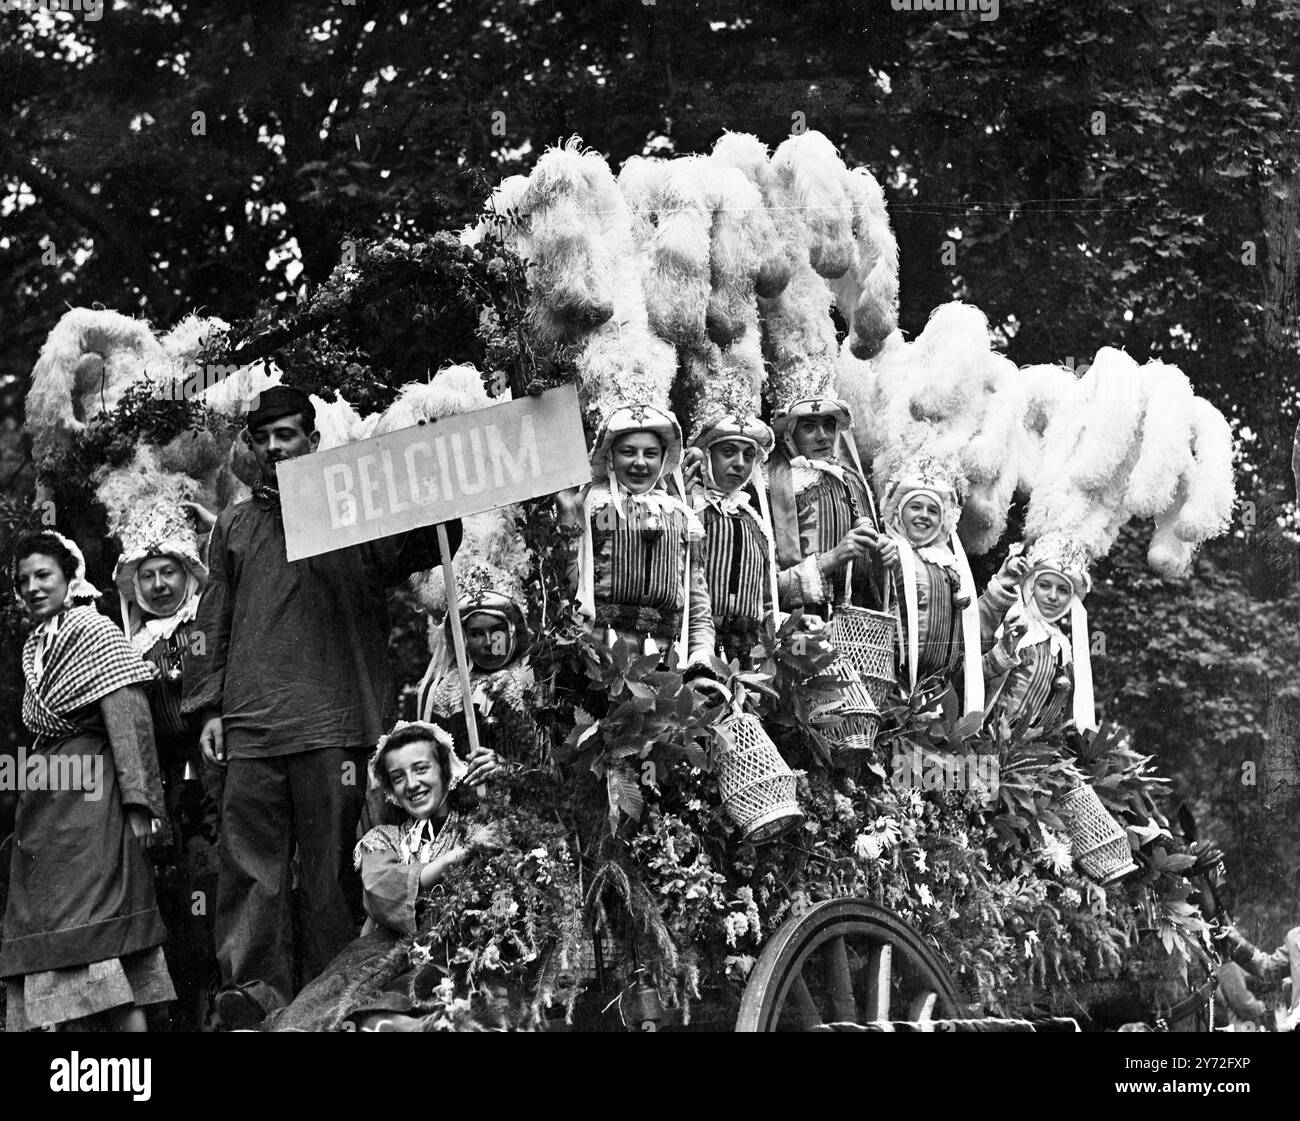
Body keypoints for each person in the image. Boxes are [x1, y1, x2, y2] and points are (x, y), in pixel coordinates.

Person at [181, 384, 463, 1028]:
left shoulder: (351, 504)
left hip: (334, 719)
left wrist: (442, 496)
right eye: (265, 437)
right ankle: (253, 993)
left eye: (289, 434)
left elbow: (412, 549)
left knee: (338, 867)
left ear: (313, 438)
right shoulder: (236, 522)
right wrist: (207, 708)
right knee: (250, 866)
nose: (277, 446)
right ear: (253, 446)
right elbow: (211, 619)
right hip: (251, 722)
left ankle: (339, 994)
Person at [2, 531, 173, 1031]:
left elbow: (130, 718)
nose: (33, 587)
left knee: (101, 934)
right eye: (23, 581)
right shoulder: (38, 644)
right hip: (47, 805)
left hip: (95, 802)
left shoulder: (93, 631)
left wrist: (141, 804)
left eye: (43, 575)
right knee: (56, 937)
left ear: (70, 577)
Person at [262, 721, 502, 1032]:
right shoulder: (383, 839)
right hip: (380, 955)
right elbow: (380, 888)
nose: (412, 784)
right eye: (398, 777)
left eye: (421, 769)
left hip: (456, 957)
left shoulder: (475, 826)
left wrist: (504, 776)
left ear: (445, 770)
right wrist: (460, 855)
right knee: (330, 1013)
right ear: (390, 790)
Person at [563, 402, 715, 669]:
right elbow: (571, 586)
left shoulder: (682, 516)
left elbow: (697, 599)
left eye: (651, 453)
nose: (640, 463)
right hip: (600, 655)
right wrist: (569, 527)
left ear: (663, 458)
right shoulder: (593, 508)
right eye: (628, 452)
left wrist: (701, 656)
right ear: (610, 456)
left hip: (667, 659)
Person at [766, 397, 886, 619]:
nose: (822, 436)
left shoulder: (853, 481)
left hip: (856, 629)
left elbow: (872, 576)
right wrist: (832, 558)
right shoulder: (768, 487)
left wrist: (885, 556)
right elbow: (761, 589)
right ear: (789, 434)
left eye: (828, 425)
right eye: (809, 427)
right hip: (798, 625)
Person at [685, 412, 780, 666]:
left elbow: (767, 600)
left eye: (748, 456)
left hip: (748, 656)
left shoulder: (755, 522)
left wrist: (790, 629)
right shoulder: (690, 511)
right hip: (698, 648)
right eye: (728, 452)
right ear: (706, 456)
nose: (739, 463)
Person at [981, 549, 1090, 735]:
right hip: (980, 740)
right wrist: (1001, 655)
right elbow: (963, 675)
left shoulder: (1062, 646)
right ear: (1031, 586)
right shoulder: (1009, 619)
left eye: (1063, 590)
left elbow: (1061, 713)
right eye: (1045, 585)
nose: (1053, 596)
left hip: (1026, 754)